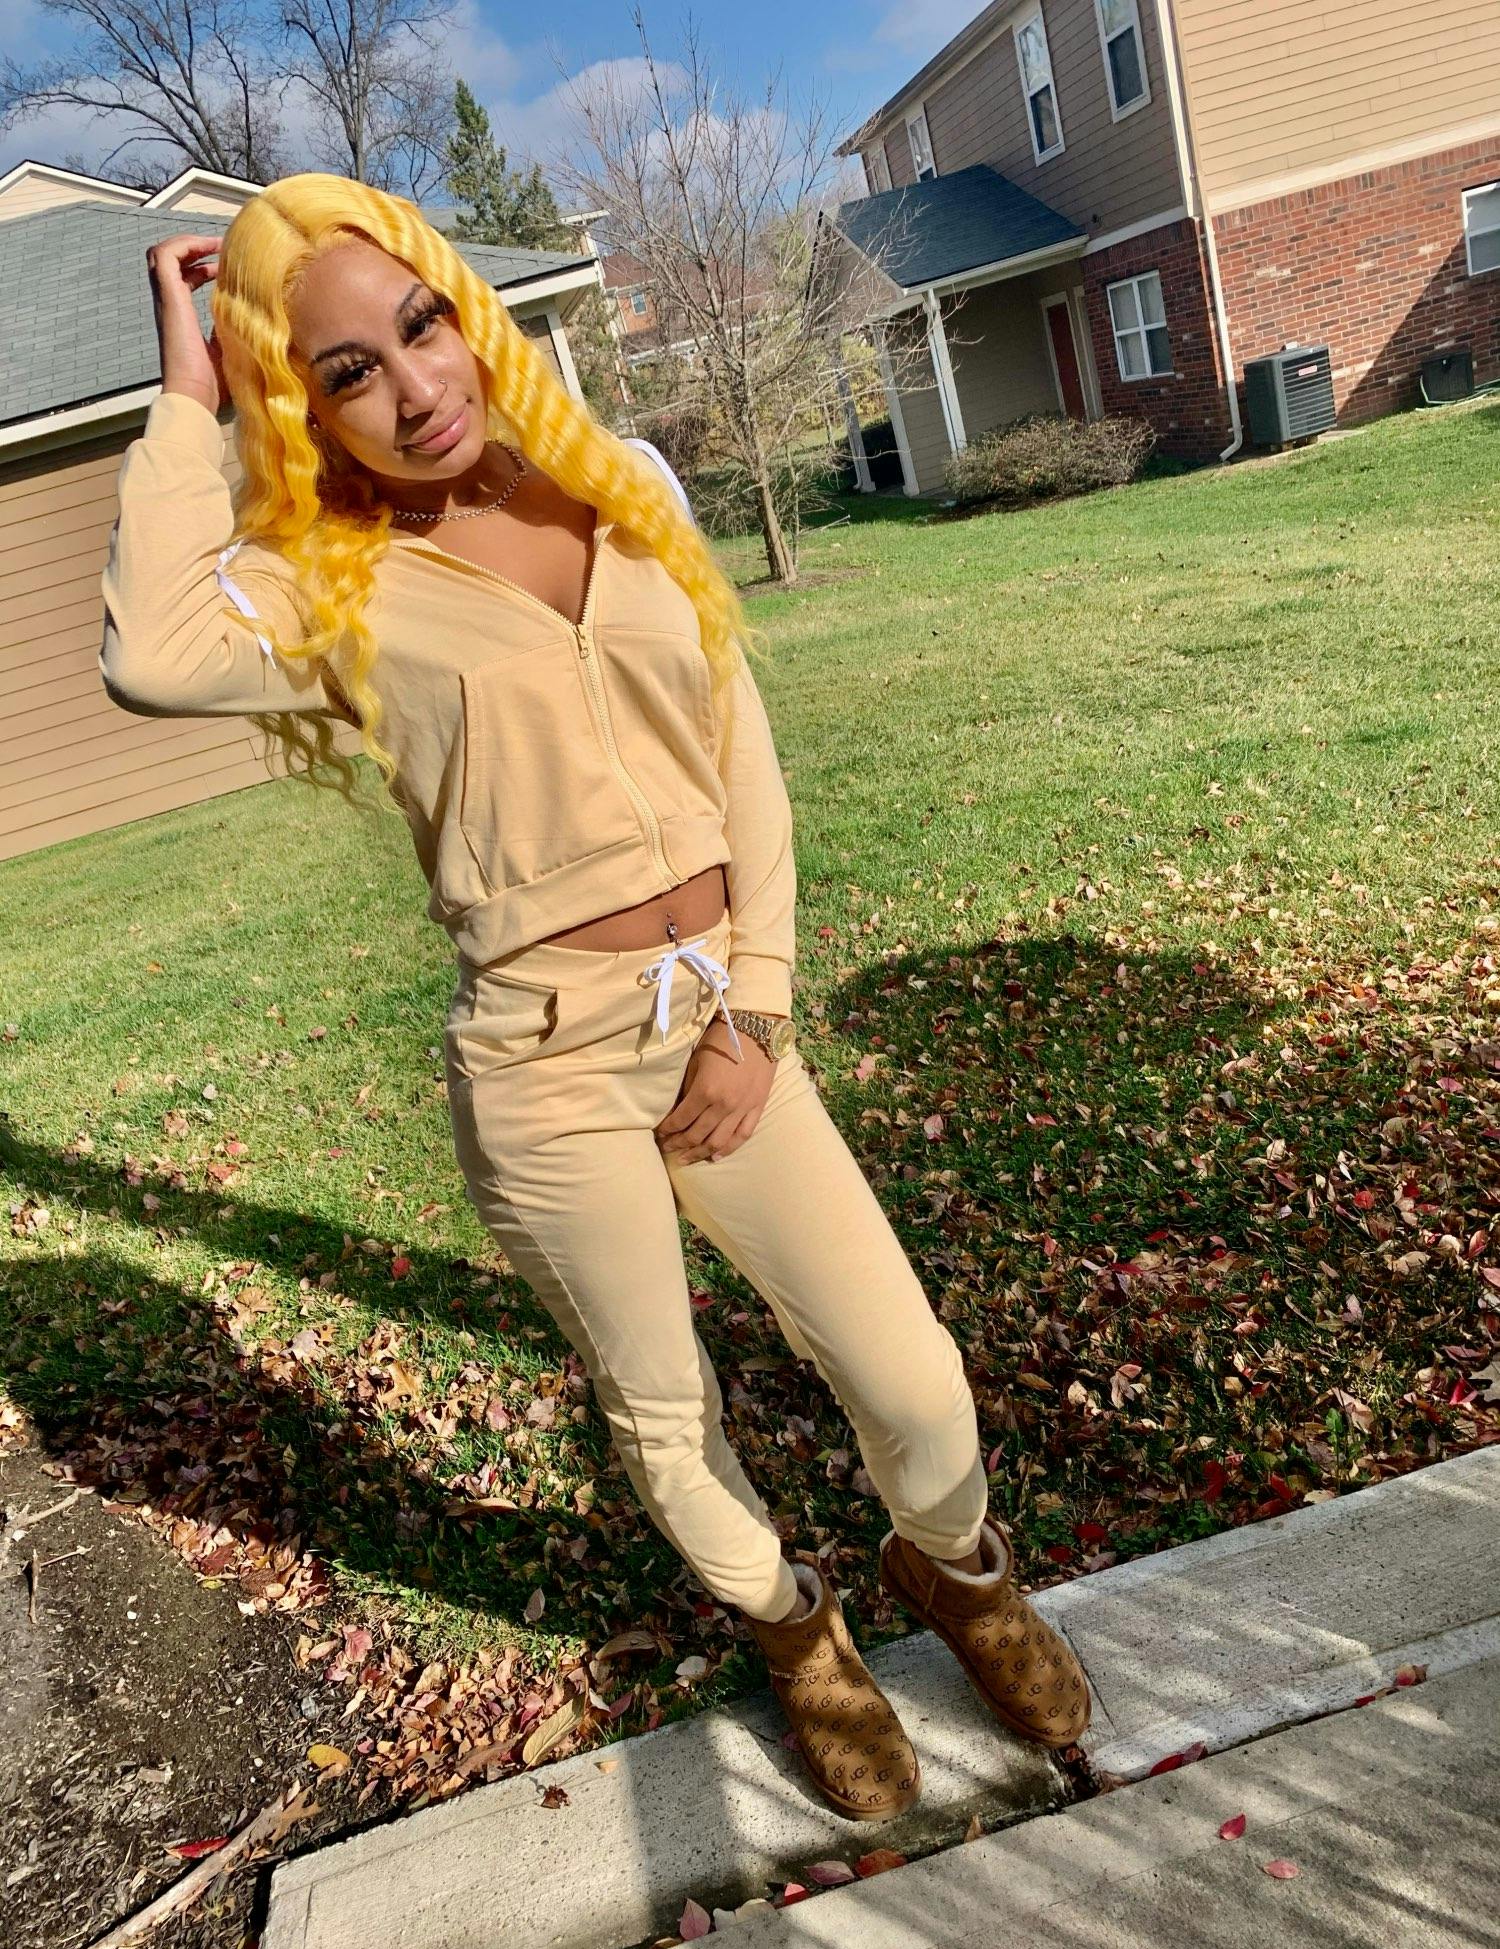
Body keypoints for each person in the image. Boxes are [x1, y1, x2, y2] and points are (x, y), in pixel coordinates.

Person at [98, 172, 1090, 1824]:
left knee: (913, 1377)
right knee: (664, 1410)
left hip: (723, 1022)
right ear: (303, 404)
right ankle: (797, 1635)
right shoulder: (324, 585)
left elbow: (741, 758)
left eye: (421, 326)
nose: (413, 386)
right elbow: (147, 651)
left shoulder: (622, 484)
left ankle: (958, 1570)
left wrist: (755, 1016)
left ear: (464, 312)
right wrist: (189, 390)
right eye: (347, 371)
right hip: (542, 1067)